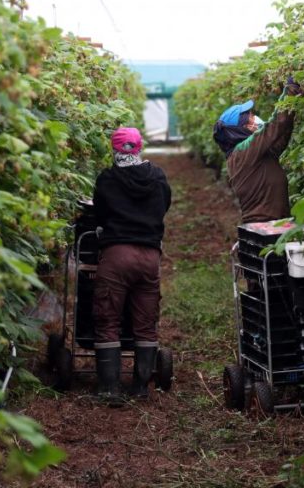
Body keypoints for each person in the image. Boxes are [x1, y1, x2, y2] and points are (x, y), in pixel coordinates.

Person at [92, 127, 171, 406]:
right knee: (145, 322)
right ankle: (140, 386)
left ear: (114, 149)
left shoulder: (107, 179)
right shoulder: (157, 176)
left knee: (108, 319)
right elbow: (165, 205)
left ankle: (110, 388)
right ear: (138, 148)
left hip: (117, 256)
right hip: (149, 257)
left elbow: (98, 213)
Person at [213, 78, 304, 224]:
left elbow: (279, 139)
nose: (255, 119)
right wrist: (290, 90)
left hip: (272, 223)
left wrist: (291, 107)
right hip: (265, 226)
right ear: (241, 129)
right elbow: (275, 126)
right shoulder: (243, 151)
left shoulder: (247, 154)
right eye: (250, 117)